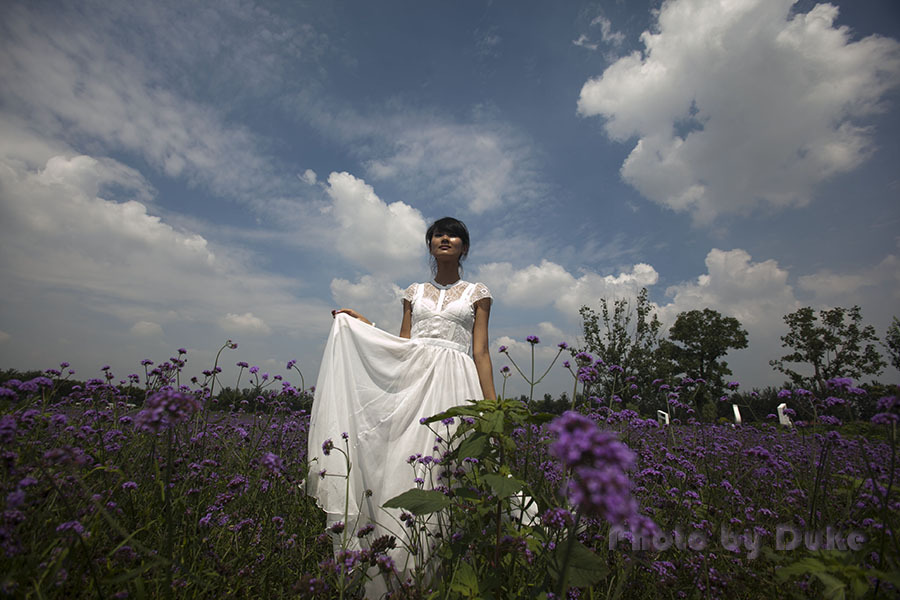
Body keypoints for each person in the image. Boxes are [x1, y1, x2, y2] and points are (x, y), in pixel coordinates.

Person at [306, 216, 495, 592]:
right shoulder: (413, 292)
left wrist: (493, 410)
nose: (445, 238)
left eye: (453, 235)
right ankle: (399, 572)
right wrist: (365, 326)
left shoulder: (478, 293)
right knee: (404, 468)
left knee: (447, 471)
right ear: (430, 245)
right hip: (414, 384)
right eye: (438, 234)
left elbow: (481, 351)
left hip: (457, 383)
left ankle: (445, 574)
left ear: (464, 247)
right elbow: (403, 344)